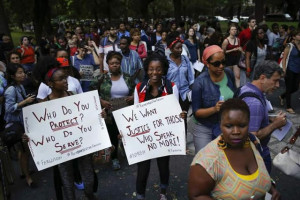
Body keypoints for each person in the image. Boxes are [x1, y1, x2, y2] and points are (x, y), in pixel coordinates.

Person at [188, 98, 280, 200]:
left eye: (242, 125)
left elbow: (261, 176)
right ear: (220, 125)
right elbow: (196, 196)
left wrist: (271, 189)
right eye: (229, 126)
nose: (236, 131)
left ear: (249, 123)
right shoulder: (207, 160)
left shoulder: (253, 142)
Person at [133, 53, 185, 200]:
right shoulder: (139, 88)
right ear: (146, 70)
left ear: (164, 70)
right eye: (150, 69)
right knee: (143, 169)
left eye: (158, 69)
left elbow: (175, 112)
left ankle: (163, 192)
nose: (154, 73)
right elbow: (135, 114)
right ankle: (140, 195)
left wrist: (181, 115)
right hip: (145, 136)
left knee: (163, 166)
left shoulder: (171, 87)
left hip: (163, 135)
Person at [236, 60, 286, 173]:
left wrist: (268, 118)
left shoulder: (245, 88)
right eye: (275, 81)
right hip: (256, 157)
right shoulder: (254, 102)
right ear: (262, 78)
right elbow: (251, 137)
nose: (278, 85)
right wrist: (274, 125)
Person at [91, 51, 134, 170]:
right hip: (109, 113)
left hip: (125, 112)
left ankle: (128, 152)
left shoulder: (127, 77)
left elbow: (135, 90)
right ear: (108, 64)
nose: (114, 65)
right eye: (112, 63)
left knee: (126, 133)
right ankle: (114, 158)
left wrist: (133, 97)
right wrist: (101, 101)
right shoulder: (102, 78)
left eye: (117, 63)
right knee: (113, 135)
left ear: (120, 64)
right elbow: (91, 92)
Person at [190, 45, 235, 153]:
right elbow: (196, 112)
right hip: (204, 127)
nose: (221, 66)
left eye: (223, 62)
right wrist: (214, 109)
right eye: (216, 64)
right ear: (207, 64)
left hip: (225, 125)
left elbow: (235, 94)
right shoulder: (199, 83)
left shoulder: (229, 74)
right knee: (204, 161)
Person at [4, 63, 36, 187]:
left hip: (22, 121)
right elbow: (9, 108)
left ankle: (24, 171)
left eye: (23, 72)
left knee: (22, 149)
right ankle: (28, 178)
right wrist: (25, 101)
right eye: (19, 73)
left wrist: (26, 99)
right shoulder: (11, 89)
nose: (23, 75)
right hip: (16, 124)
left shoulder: (19, 86)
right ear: (13, 76)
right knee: (24, 151)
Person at [166, 33, 194, 134]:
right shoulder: (166, 61)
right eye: (177, 48)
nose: (180, 50)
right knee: (171, 119)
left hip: (184, 94)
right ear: (171, 48)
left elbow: (191, 76)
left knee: (183, 118)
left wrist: (192, 90)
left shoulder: (185, 60)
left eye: (181, 47)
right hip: (170, 94)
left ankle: (183, 143)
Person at [279, 30, 300, 114]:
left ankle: (282, 96)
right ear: (294, 37)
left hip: (298, 70)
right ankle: (288, 106)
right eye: (298, 35)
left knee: (295, 87)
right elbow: (284, 59)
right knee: (289, 87)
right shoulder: (289, 46)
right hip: (290, 69)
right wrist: (284, 70)